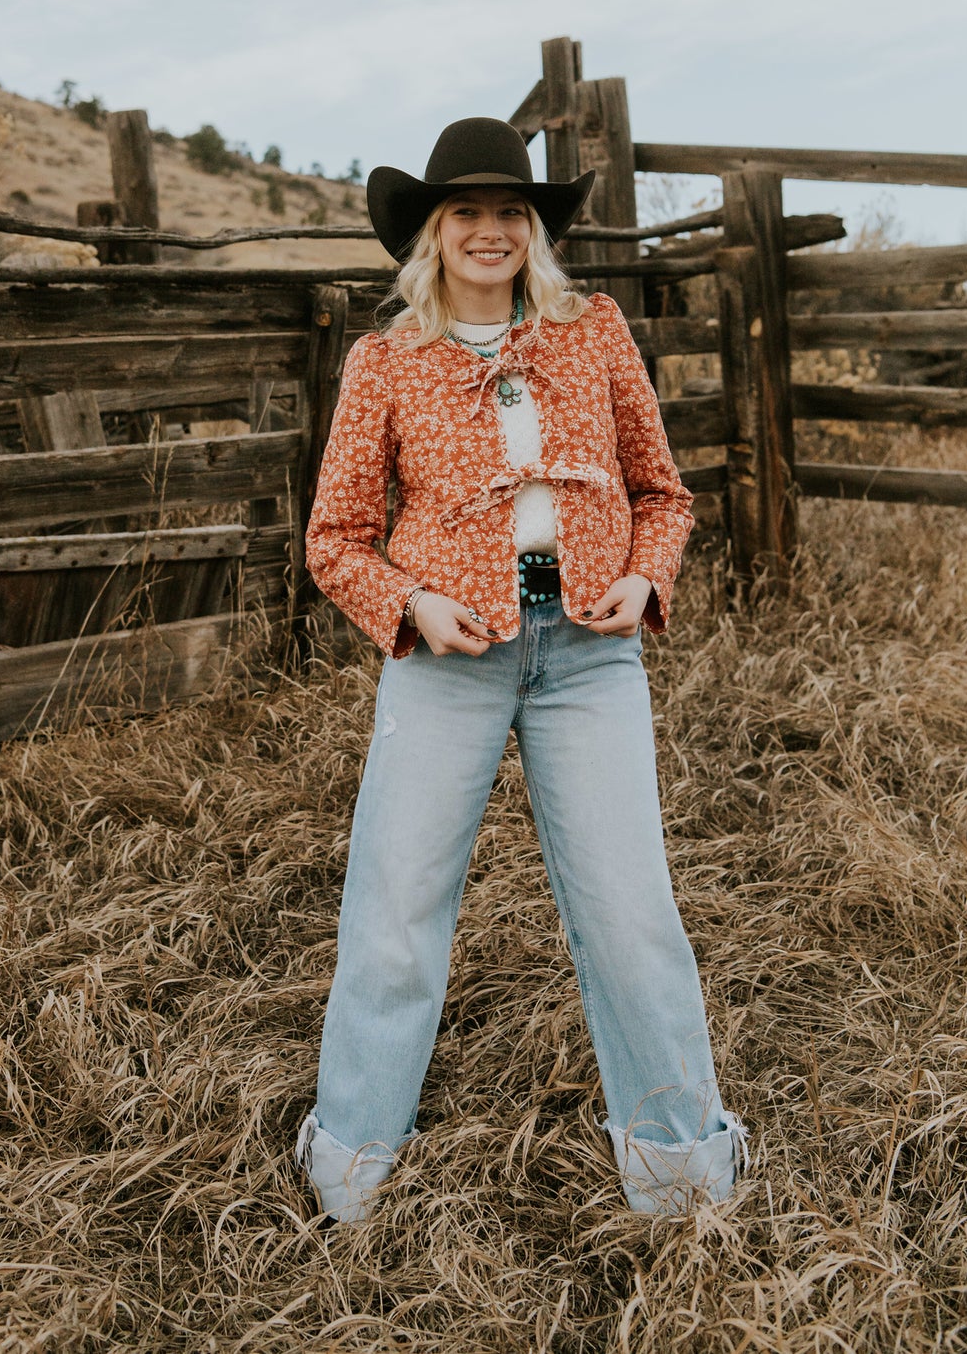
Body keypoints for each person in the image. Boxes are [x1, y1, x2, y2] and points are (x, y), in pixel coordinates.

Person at [294, 115, 747, 1224]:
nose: (490, 231)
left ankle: (682, 1167)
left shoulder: (592, 333)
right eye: (468, 213)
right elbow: (335, 538)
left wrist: (647, 582)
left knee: (632, 912)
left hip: (590, 660)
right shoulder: (387, 359)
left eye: (512, 212)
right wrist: (411, 606)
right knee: (396, 910)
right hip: (448, 664)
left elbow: (663, 495)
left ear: (535, 231)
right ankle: (350, 1164)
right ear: (434, 232)